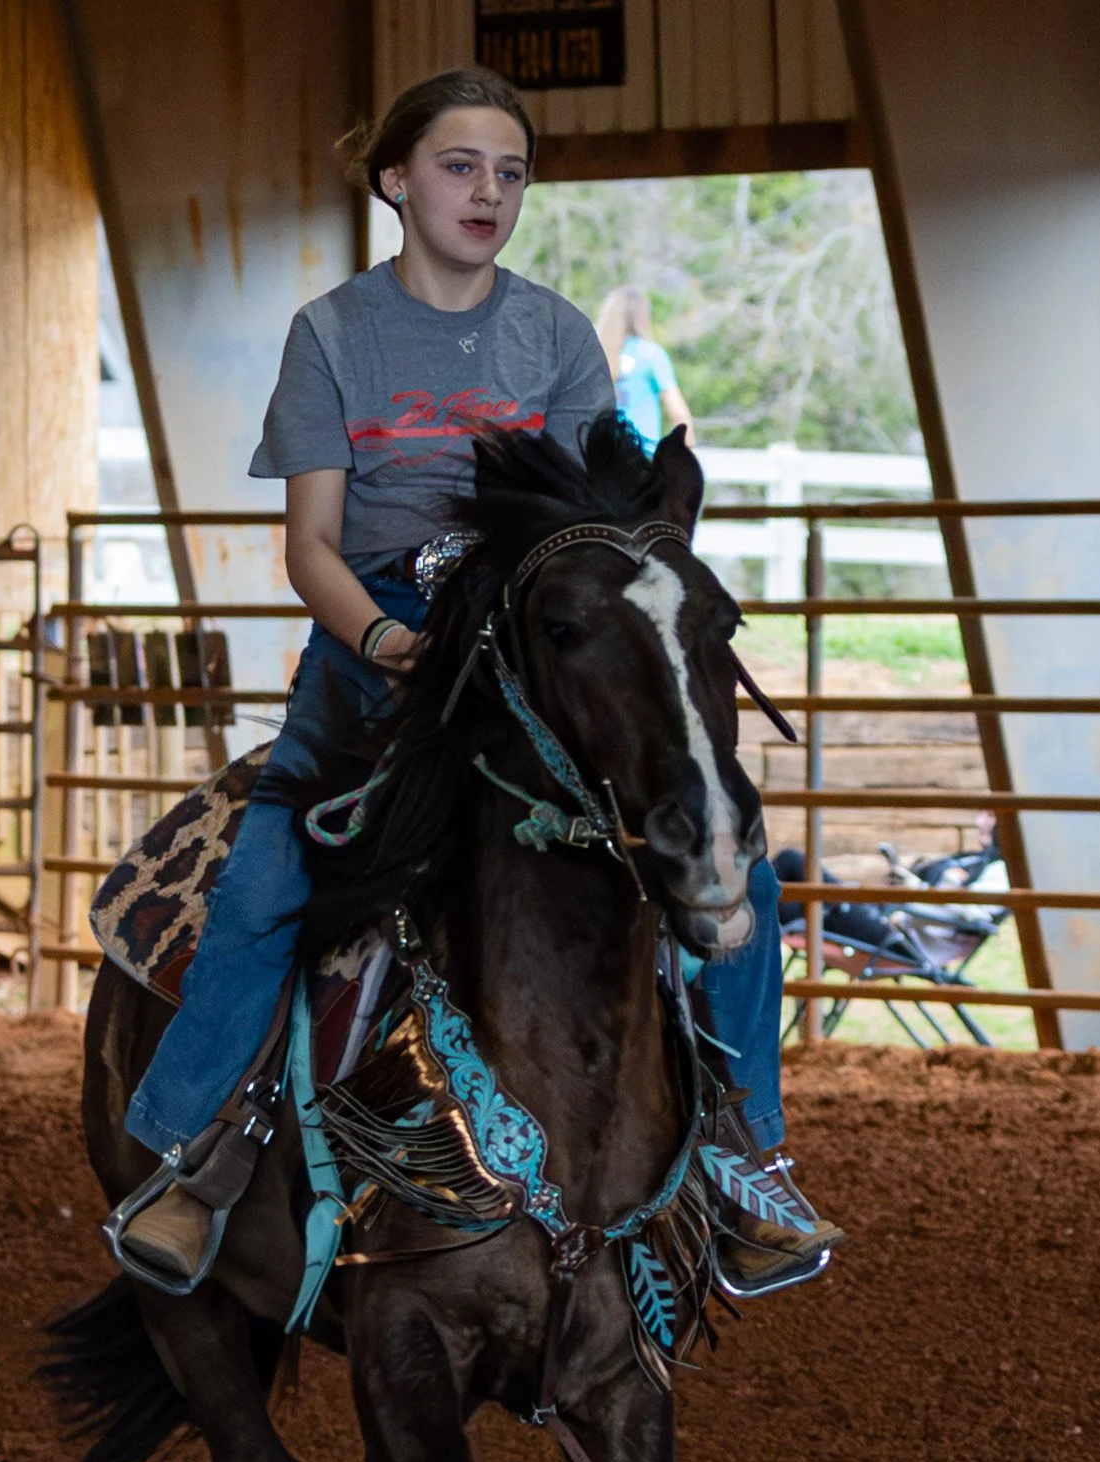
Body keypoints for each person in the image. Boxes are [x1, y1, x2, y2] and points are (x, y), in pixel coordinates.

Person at [117, 65, 839, 1289]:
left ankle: (741, 1150)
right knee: (271, 871)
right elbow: (309, 544)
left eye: (510, 172)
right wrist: (385, 643)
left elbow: (589, 518)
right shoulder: (332, 335)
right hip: (381, 625)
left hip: (525, 630)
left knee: (719, 855)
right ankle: (202, 1149)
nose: (488, 191)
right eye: (460, 166)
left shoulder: (555, 335)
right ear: (395, 181)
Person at [596, 286, 695, 454]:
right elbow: (678, 413)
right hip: (642, 454)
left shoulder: (594, 354)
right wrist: (690, 452)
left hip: (602, 454)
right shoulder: (651, 354)